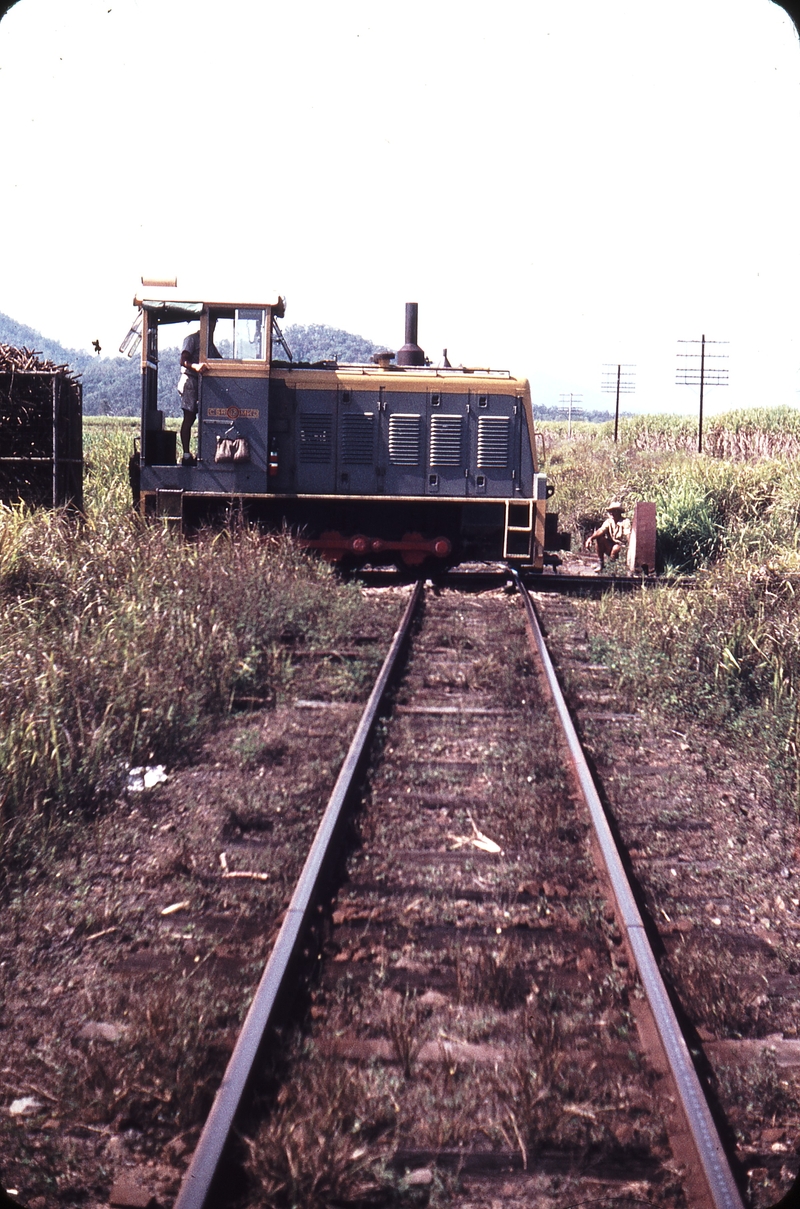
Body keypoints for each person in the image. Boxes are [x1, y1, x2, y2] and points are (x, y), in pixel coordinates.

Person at [178, 321, 220, 464]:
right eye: (210, 323)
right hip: (190, 381)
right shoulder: (192, 339)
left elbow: (219, 360)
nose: (212, 327)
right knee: (189, 418)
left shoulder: (209, 344)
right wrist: (195, 367)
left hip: (204, 383)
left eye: (214, 324)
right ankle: (186, 454)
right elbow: (183, 359)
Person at [587, 501, 631, 571]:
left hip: (621, 548)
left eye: (614, 511)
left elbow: (628, 534)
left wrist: (630, 548)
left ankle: (611, 566)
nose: (611, 513)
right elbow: (601, 530)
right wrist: (591, 538)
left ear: (619, 512)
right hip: (610, 545)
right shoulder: (609, 521)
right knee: (600, 539)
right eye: (610, 511)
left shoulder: (625, 522)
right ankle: (601, 564)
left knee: (616, 548)